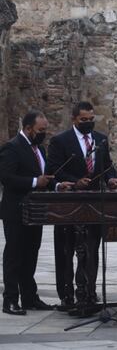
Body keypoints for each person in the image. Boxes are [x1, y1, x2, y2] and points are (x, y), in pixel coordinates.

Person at [46, 101, 117, 310]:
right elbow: (54, 170)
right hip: (69, 204)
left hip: (95, 203)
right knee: (66, 250)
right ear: (74, 120)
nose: (88, 123)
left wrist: (112, 179)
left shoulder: (100, 140)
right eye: (83, 120)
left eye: (91, 120)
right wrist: (74, 182)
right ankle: (67, 294)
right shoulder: (61, 141)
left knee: (91, 248)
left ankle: (89, 290)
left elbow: (107, 166)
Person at [0, 111, 65, 315]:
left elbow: (46, 177)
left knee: (31, 255)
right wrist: (35, 182)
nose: (43, 134)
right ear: (28, 128)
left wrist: (58, 185)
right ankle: (10, 299)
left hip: (35, 211)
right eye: (41, 130)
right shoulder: (12, 148)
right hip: (16, 210)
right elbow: (7, 178)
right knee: (14, 254)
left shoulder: (40, 150)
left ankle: (29, 297)